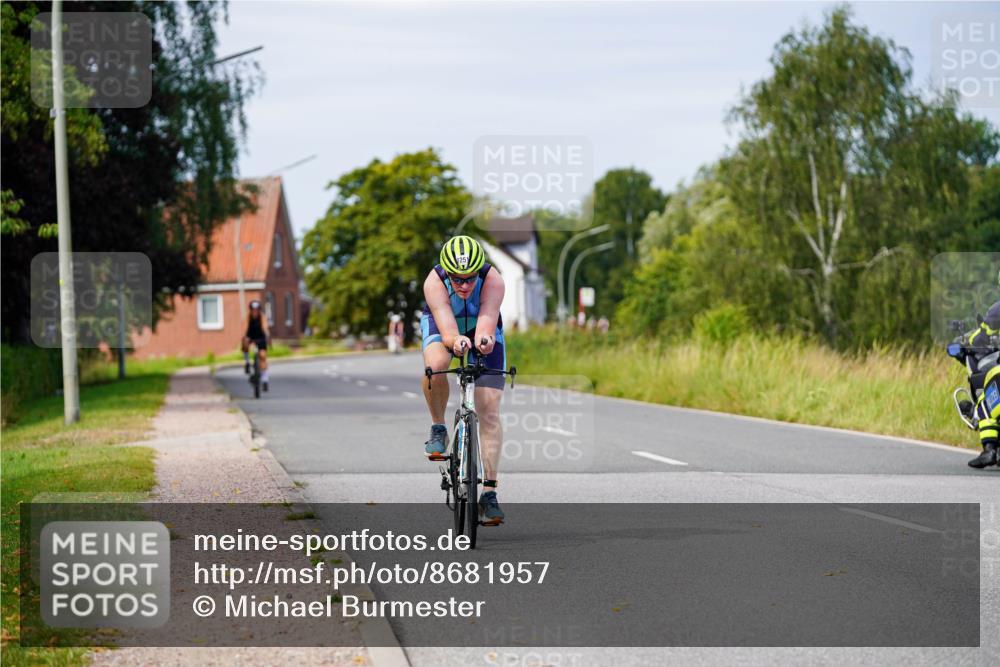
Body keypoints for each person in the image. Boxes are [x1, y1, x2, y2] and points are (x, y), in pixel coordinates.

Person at [420, 235, 507, 525]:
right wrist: (454, 341)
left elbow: (487, 317)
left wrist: (484, 339)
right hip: (444, 323)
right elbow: (446, 326)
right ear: (446, 273)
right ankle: (438, 427)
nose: (465, 285)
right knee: (438, 364)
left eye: (470, 278)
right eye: (457, 280)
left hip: (481, 324)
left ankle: (489, 494)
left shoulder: (493, 279)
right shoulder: (434, 282)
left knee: (489, 410)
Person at [965, 272, 1000, 468]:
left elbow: (980, 337)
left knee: (986, 397)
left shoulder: (998, 309)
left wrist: (968, 343)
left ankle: (989, 450)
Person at [242, 300, 270, 391]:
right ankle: (247, 362)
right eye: (253, 310)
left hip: (260, 337)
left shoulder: (262, 317)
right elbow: (245, 328)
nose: (255, 312)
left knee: (263, 356)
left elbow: (265, 328)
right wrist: (246, 337)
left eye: (256, 310)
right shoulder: (248, 317)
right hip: (251, 336)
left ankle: (265, 380)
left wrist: (267, 336)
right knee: (244, 342)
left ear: (259, 310)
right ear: (250, 310)